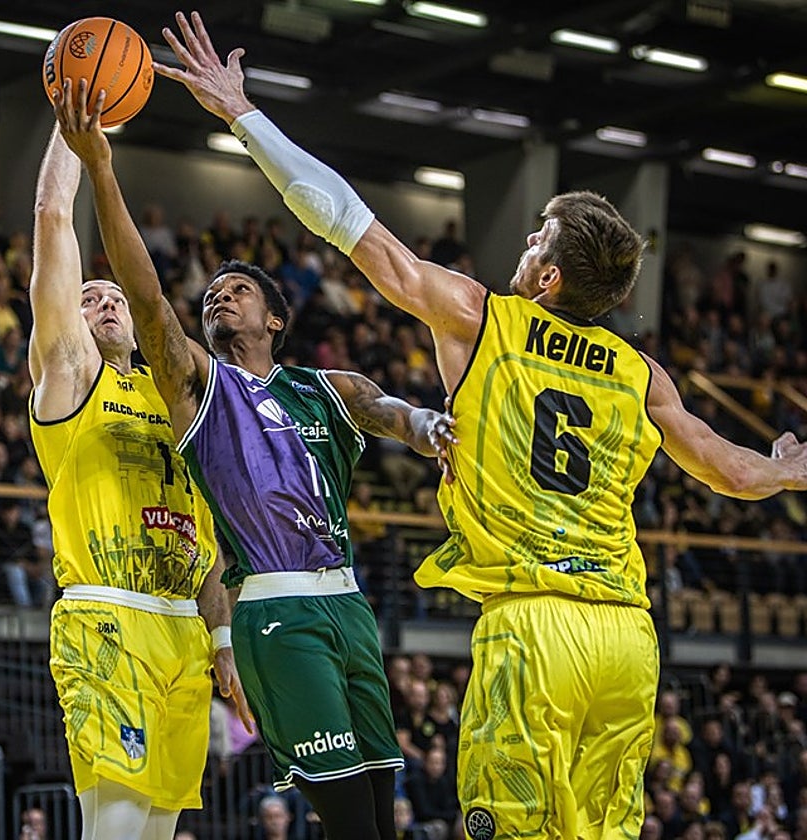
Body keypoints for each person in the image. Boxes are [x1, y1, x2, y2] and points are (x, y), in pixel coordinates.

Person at [153, 11, 807, 838]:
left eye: (537, 237)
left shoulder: (485, 318)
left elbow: (351, 224)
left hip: (535, 626)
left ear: (548, 276)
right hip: (627, 638)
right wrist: (789, 468)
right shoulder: (646, 377)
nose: (523, 241)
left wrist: (244, 116)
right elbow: (734, 473)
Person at [53, 76, 452, 840]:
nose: (217, 298)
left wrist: (430, 426)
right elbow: (145, 298)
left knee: (378, 812)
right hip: (275, 606)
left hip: (350, 606)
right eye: (210, 295)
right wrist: (102, 169)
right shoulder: (201, 386)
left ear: (276, 316)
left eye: (236, 290)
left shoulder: (326, 386)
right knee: (344, 817)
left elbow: (389, 411)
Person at [26, 123, 251, 840]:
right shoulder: (69, 379)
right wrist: (73, 127)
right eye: (88, 298)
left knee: (157, 830)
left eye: (113, 294)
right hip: (107, 621)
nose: (105, 302)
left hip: (183, 633)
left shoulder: (177, 400)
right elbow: (52, 218)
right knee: (116, 827)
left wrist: (224, 641)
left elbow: (212, 540)